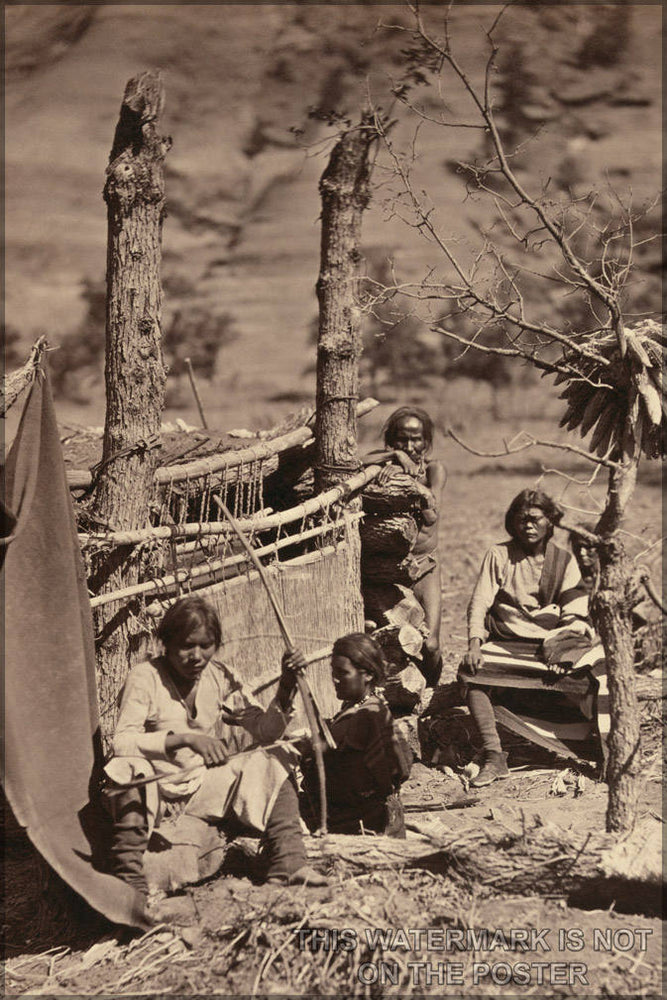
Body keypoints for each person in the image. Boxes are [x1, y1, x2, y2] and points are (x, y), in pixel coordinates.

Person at [104, 595, 326, 902]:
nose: (196, 656)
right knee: (126, 768)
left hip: (200, 788)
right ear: (166, 643)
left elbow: (265, 730)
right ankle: (132, 890)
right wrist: (184, 739)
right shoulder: (145, 678)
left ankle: (288, 862)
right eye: (186, 645)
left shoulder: (218, 676)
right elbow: (122, 742)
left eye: (206, 645)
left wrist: (286, 686)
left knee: (274, 756)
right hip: (157, 799)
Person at [460, 489, 591, 787]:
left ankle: (581, 747)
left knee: (590, 678)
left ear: (549, 523)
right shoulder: (499, 555)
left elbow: (574, 612)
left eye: (534, 519)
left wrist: (564, 652)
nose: (527, 526)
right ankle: (494, 754)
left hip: (551, 644)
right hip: (507, 641)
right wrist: (474, 644)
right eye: (520, 520)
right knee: (470, 673)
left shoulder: (564, 561)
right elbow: (480, 602)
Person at [295, 633, 412, 835]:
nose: (335, 679)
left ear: (367, 675)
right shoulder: (363, 706)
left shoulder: (367, 716)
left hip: (362, 824)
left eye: (342, 673)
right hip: (364, 814)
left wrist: (308, 748)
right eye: (333, 671)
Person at [364, 406, 447, 686]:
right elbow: (353, 463)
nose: (410, 446)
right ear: (391, 440)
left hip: (424, 567)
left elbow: (432, 513)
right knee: (391, 639)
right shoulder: (383, 468)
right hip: (387, 570)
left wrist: (412, 485)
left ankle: (434, 692)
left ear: (427, 441)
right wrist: (392, 458)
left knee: (431, 644)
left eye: (416, 439)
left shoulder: (435, 470)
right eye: (401, 440)